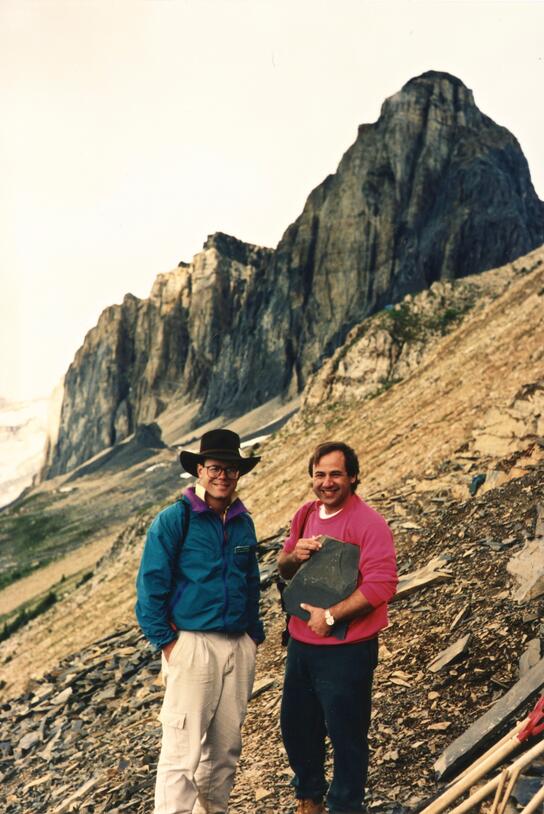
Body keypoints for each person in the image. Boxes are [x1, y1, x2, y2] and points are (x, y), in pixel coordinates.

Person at [135, 428, 264, 814]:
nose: (222, 476)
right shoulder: (175, 520)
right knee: (182, 751)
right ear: (199, 471)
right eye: (214, 468)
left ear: (238, 473)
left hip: (237, 645)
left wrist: (253, 636)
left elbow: (251, 580)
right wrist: (169, 643)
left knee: (223, 751)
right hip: (192, 644)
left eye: (230, 469)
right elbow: (150, 587)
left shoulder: (243, 522)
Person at [278, 441, 398, 814]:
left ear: (353, 477)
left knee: (347, 736)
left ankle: (346, 806)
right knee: (297, 726)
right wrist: (293, 556)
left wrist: (330, 617)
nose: (326, 482)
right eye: (320, 474)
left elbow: (382, 584)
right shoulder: (305, 515)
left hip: (347, 649)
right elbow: (283, 570)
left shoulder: (369, 523)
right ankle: (310, 797)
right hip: (302, 644)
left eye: (335, 474)